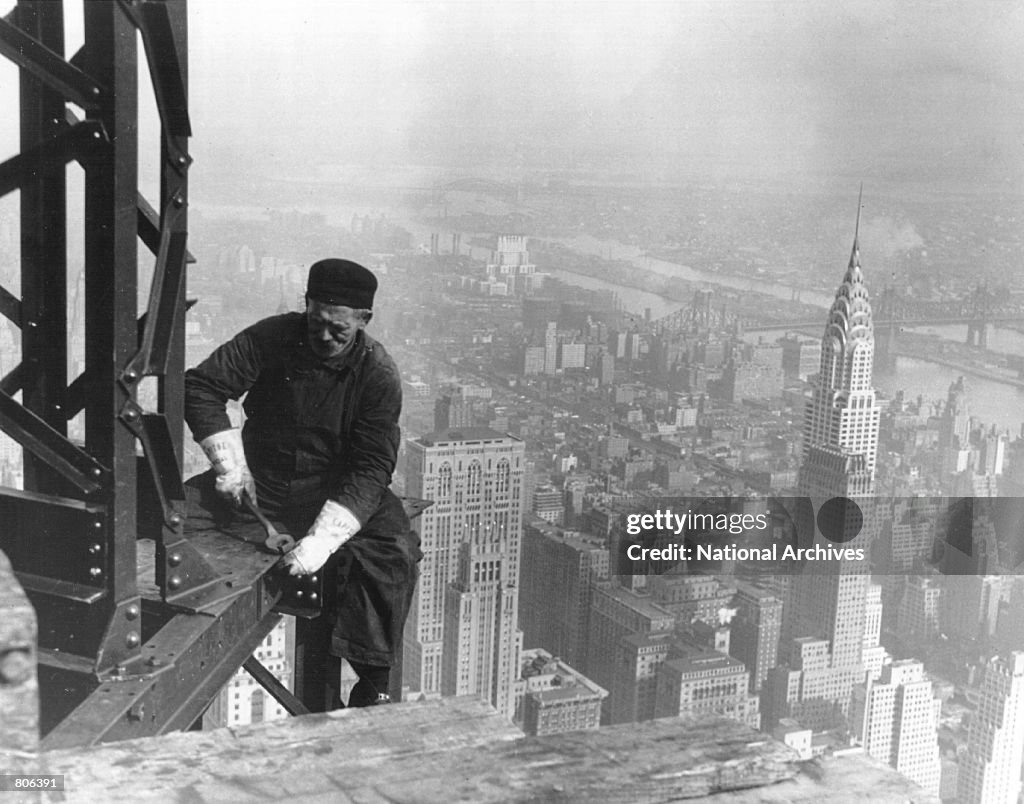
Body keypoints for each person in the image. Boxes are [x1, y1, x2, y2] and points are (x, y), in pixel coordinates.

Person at [184, 258, 419, 708]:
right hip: (262, 482)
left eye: (338, 329)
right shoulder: (271, 337)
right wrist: (230, 465)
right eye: (317, 321)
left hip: (334, 491)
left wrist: (322, 542)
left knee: (394, 550)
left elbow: (371, 466)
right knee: (171, 514)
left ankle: (373, 677)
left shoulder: (377, 374)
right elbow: (202, 387)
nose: (324, 336)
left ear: (364, 321)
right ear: (306, 305)